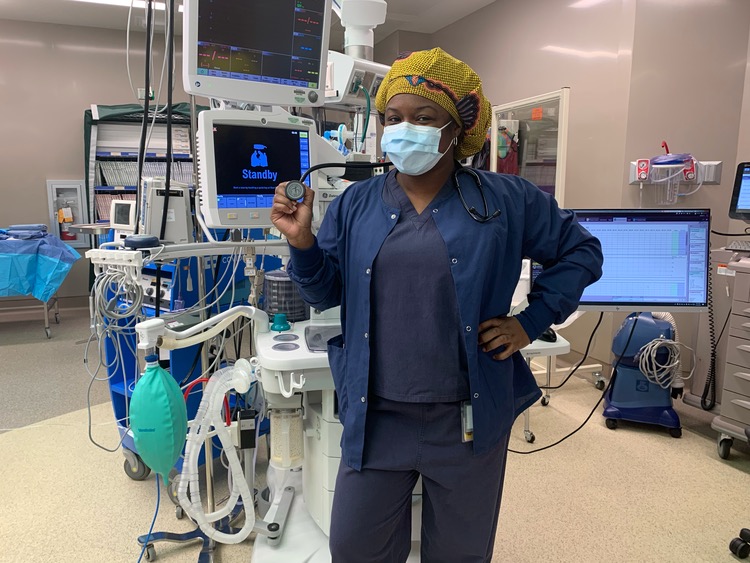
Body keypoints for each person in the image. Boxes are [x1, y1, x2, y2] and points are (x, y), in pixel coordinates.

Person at [271, 47, 603, 563]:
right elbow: (325, 292)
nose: (405, 129)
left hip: (467, 423)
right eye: (394, 118)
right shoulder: (357, 203)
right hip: (375, 418)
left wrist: (531, 321)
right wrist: (303, 244)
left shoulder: (505, 200)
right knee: (355, 549)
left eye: (424, 118)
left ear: (456, 129)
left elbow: (582, 250)